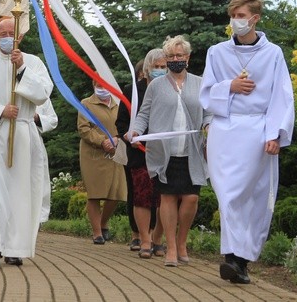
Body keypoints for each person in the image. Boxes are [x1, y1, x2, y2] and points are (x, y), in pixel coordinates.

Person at [200, 0, 294, 284]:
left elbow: (281, 96)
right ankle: (233, 258)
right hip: (225, 131)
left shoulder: (273, 53)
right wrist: (231, 85)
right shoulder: (217, 52)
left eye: (241, 16)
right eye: (233, 16)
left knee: (249, 196)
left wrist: (275, 134)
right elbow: (206, 92)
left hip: (256, 131)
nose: (236, 21)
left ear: (255, 18)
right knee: (227, 195)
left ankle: (239, 260)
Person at [0, 18, 53, 267]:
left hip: (23, 133)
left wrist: (23, 68)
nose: (5, 37)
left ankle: (15, 247)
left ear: (19, 37)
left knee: (19, 192)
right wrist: (0, 111)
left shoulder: (34, 62)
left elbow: (43, 94)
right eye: (1, 33)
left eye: (10, 33)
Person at [130, 35, 212, 267]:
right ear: (166, 59)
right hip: (164, 152)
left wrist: (208, 126)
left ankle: (182, 240)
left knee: (191, 198)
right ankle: (172, 249)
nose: (175, 59)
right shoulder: (156, 85)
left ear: (188, 57)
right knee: (167, 197)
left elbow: (209, 111)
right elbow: (144, 114)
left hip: (192, 151)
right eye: (171, 56)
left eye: (180, 55)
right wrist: (136, 131)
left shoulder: (200, 83)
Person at [116, 49, 166, 257]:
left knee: (164, 198)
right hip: (139, 154)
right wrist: (130, 136)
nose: (160, 71)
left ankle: (158, 239)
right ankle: (144, 239)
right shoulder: (132, 91)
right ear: (146, 69)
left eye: (163, 67)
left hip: (166, 153)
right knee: (142, 196)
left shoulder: (171, 88)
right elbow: (121, 122)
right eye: (156, 67)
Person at [77, 79, 126, 245]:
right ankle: (97, 232)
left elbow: (126, 125)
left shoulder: (119, 103)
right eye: (98, 84)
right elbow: (84, 128)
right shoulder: (86, 104)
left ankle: (103, 222)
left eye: (105, 84)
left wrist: (117, 141)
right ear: (93, 84)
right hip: (93, 155)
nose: (102, 88)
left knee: (116, 194)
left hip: (116, 153)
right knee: (95, 193)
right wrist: (102, 141)